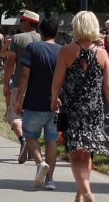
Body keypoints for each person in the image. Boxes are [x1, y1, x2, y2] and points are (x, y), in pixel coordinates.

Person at [51, 11, 109, 202]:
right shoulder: (102, 54)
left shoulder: (67, 50)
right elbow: (107, 86)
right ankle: (80, 195)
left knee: (76, 155)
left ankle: (86, 193)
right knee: (87, 152)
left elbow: (57, 81)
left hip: (73, 109)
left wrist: (54, 99)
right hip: (95, 111)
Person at [15, 17, 61, 191]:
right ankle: (50, 180)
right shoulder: (62, 51)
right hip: (56, 103)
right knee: (52, 141)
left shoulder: (33, 48)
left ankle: (40, 163)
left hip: (34, 101)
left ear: (40, 32)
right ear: (56, 32)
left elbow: (25, 76)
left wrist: (19, 100)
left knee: (30, 135)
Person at [3, 10, 40, 163]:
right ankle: (32, 148)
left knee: (14, 116)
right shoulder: (43, 39)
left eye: (22, 21)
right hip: (38, 86)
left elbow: (10, 64)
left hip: (20, 84)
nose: (20, 23)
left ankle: (23, 140)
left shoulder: (17, 39)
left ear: (27, 22)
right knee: (33, 118)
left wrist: (6, 83)